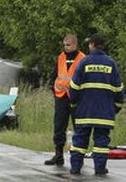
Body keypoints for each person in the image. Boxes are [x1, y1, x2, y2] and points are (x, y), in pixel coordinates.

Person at [69, 34, 125, 175]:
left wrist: (74, 104)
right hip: (104, 113)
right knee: (101, 143)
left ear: (92, 44)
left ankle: (76, 168)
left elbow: (74, 87)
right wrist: (116, 107)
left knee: (80, 141)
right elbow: (119, 89)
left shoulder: (84, 62)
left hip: (85, 111)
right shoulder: (111, 64)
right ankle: (100, 169)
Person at [45, 34, 85, 165]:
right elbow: (55, 75)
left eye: (68, 45)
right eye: (64, 45)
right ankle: (58, 155)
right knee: (59, 126)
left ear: (75, 45)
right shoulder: (61, 57)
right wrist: (54, 89)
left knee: (78, 127)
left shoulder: (82, 59)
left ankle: (79, 157)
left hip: (76, 99)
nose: (65, 48)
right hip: (61, 97)